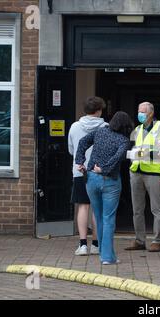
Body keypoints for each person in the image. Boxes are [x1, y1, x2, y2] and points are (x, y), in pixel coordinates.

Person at [75, 111, 133, 265]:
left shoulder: (100, 131)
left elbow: (82, 142)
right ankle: (107, 257)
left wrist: (80, 161)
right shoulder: (124, 140)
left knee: (99, 217)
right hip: (110, 181)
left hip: (91, 179)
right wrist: (106, 169)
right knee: (108, 219)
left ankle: (106, 253)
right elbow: (117, 157)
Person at [68, 96, 108, 256]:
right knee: (97, 208)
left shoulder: (75, 126)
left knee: (83, 207)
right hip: (98, 171)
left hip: (80, 171)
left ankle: (83, 245)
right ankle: (96, 245)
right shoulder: (105, 127)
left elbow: (71, 149)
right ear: (99, 110)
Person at [125, 102, 160, 252]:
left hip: (153, 172)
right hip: (136, 171)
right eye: (138, 111)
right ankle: (139, 240)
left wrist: (143, 154)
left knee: (156, 208)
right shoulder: (137, 130)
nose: (140, 114)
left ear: (151, 113)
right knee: (137, 209)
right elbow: (131, 149)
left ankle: (157, 241)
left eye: (143, 112)